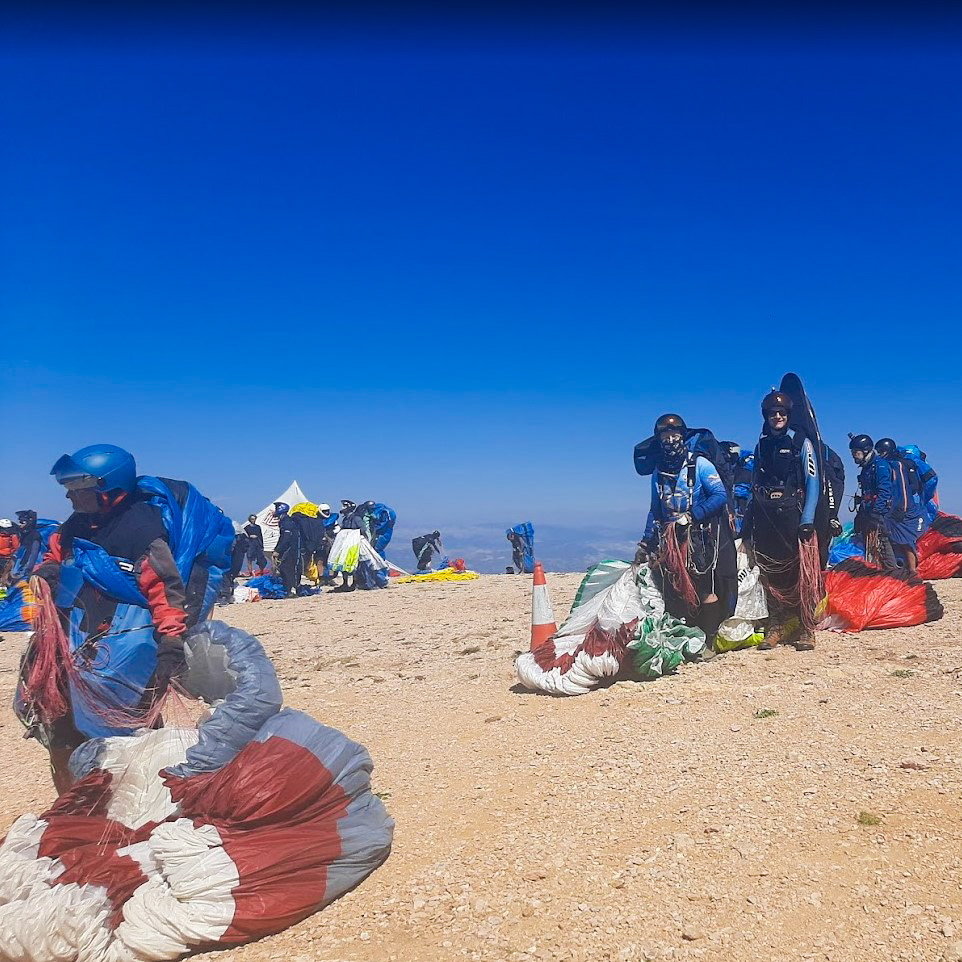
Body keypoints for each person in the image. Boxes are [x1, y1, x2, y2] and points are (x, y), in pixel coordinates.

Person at [27, 445, 198, 792]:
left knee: (130, 728)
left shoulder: (141, 528)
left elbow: (163, 589)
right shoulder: (75, 526)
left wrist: (170, 641)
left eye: (79, 487)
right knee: (61, 727)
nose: (69, 494)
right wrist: (48, 570)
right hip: (77, 640)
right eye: (69, 486)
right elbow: (56, 555)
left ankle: (146, 800)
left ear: (109, 488)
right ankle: (75, 807)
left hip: (125, 649)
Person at [639, 414, 736, 658]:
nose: (671, 441)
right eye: (665, 436)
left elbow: (719, 494)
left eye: (675, 436)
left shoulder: (699, 464)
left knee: (704, 587)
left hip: (699, 539)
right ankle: (688, 637)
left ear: (684, 436)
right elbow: (655, 508)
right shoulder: (659, 472)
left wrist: (693, 515)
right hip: (670, 540)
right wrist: (646, 540)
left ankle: (710, 640)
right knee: (676, 588)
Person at [741, 392, 821, 650]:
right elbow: (754, 485)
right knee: (770, 573)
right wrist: (748, 526)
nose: (777, 417)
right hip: (766, 517)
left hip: (794, 517)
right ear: (766, 416)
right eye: (773, 413)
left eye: (782, 413)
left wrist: (807, 518)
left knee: (800, 573)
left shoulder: (802, 444)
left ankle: (806, 627)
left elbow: (813, 481)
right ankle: (776, 625)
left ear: (788, 416)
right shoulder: (761, 445)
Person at [875, 437, 927, 574]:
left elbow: (903, 489)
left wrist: (901, 509)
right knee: (901, 541)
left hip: (902, 510)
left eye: (881, 452)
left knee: (905, 541)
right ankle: (908, 570)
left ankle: (913, 571)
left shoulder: (896, 465)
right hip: (899, 508)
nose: (880, 454)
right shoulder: (892, 464)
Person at [849, 434, 899, 571]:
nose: (853, 456)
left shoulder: (880, 466)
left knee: (882, 542)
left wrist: (876, 513)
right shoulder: (867, 467)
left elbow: (884, 491)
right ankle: (876, 571)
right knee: (869, 543)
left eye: (855, 453)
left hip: (878, 512)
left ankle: (893, 573)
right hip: (867, 510)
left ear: (865, 451)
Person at [272, 501, 303, 597]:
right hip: (290, 549)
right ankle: (291, 589)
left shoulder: (287, 523)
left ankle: (291, 590)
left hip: (290, 550)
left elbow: (285, 539)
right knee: (286, 569)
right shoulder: (287, 521)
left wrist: (278, 550)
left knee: (288, 569)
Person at [0, 518, 20, 585]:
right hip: (8, 559)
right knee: (4, 578)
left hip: (4, 559)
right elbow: (16, 547)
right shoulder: (12, 537)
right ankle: (2, 594)